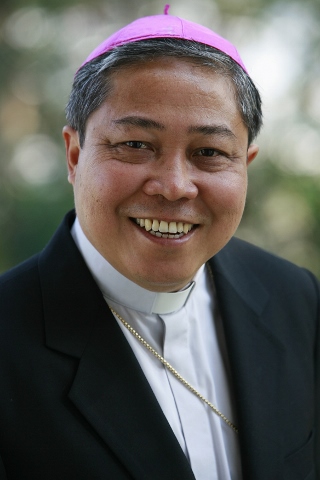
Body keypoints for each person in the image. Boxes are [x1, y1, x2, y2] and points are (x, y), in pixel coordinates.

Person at [0, 9, 318, 480]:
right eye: (135, 145)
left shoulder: (296, 298)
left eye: (208, 153)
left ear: (245, 164)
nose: (174, 187)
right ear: (74, 155)